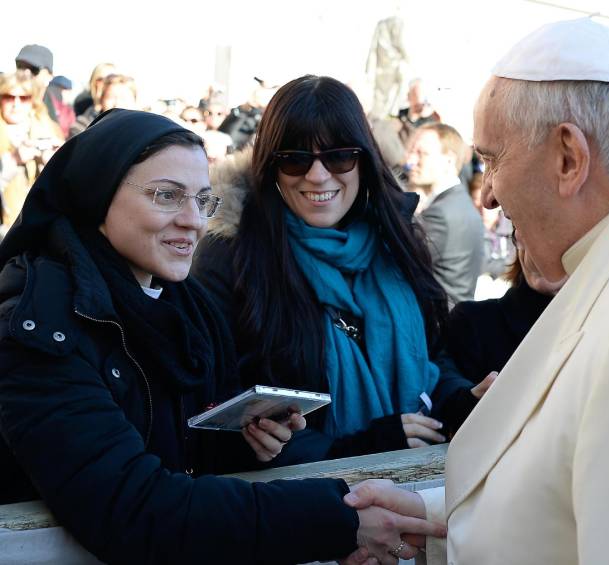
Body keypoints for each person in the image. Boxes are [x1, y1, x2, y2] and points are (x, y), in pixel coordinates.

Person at [343, 18, 609, 565]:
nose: (490, 196)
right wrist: (431, 514)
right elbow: (585, 478)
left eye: (493, 159)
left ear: (569, 158)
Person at [0, 109, 445, 564]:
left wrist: (246, 437)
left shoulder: (186, 305)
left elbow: (188, 455)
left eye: (203, 200)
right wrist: (339, 520)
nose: (193, 220)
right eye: (167, 196)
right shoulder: (35, 329)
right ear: (97, 197)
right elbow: (134, 509)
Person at [193, 75, 493, 466]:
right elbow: (216, 416)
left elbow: (432, 356)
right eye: (295, 159)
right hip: (301, 509)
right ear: (271, 166)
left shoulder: (396, 240)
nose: (317, 176)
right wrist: (363, 447)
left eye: (338, 157)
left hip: (417, 488)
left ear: (363, 160)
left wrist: (459, 401)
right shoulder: (230, 258)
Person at [446, 237, 563, 384]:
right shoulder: (470, 321)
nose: (543, 251)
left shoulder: (592, 328)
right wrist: (469, 397)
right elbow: (442, 389)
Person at [406, 123, 484, 305]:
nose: (411, 161)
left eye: (422, 154)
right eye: (412, 152)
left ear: (448, 160)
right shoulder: (460, 203)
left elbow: (400, 263)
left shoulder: (441, 213)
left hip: (437, 324)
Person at [0, 69, 64, 230]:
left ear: (33, 101)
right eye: (8, 97)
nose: (16, 104)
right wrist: (12, 161)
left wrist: (54, 163)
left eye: (23, 98)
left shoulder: (50, 130)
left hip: (41, 229)